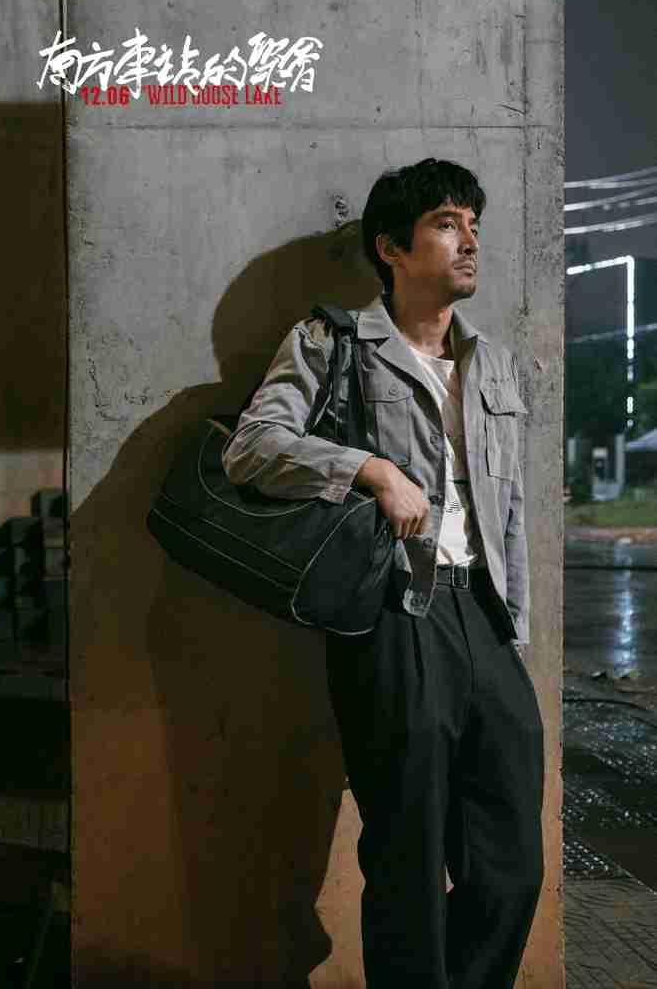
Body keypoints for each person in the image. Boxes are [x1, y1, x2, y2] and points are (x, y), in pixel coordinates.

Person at [222, 157, 544, 989]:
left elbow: (509, 509)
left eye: (473, 223)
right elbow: (251, 448)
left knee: (511, 863)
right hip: (395, 616)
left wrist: (513, 628)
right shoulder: (334, 342)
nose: (469, 240)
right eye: (445, 223)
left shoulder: (493, 363)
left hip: (484, 620)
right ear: (391, 249)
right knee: (407, 855)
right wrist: (368, 469)